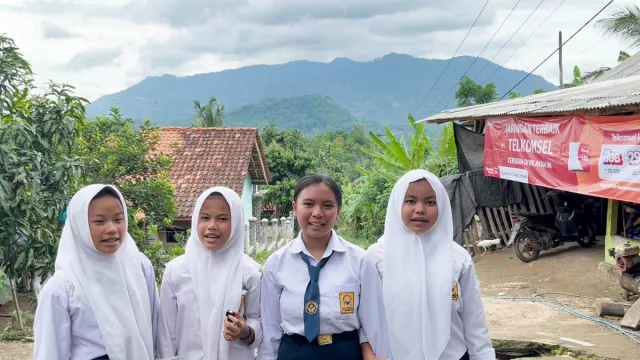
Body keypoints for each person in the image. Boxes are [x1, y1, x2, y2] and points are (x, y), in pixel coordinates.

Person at [362, 170, 495, 360]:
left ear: (441, 205)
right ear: (397, 203)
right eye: (410, 201)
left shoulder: (458, 258)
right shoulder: (376, 258)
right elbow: (368, 317)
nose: (420, 209)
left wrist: (482, 355)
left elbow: (474, 319)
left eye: (430, 202)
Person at [33, 184, 174, 360]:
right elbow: (50, 353)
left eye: (118, 219)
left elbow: (156, 326)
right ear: (80, 225)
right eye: (99, 221)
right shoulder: (62, 288)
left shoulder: (139, 267)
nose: (112, 229)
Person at [258, 174, 391, 360]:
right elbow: (270, 327)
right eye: (309, 204)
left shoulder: (359, 261)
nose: (317, 213)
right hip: (294, 352)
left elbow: (372, 321)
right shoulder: (276, 263)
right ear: (294, 208)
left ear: (339, 212)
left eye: (327, 205)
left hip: (345, 352)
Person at [160, 187, 262, 359]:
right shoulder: (176, 272)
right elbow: (166, 332)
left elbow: (257, 319)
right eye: (205, 218)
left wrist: (244, 330)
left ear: (236, 222)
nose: (212, 226)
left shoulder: (249, 273)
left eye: (222, 219)